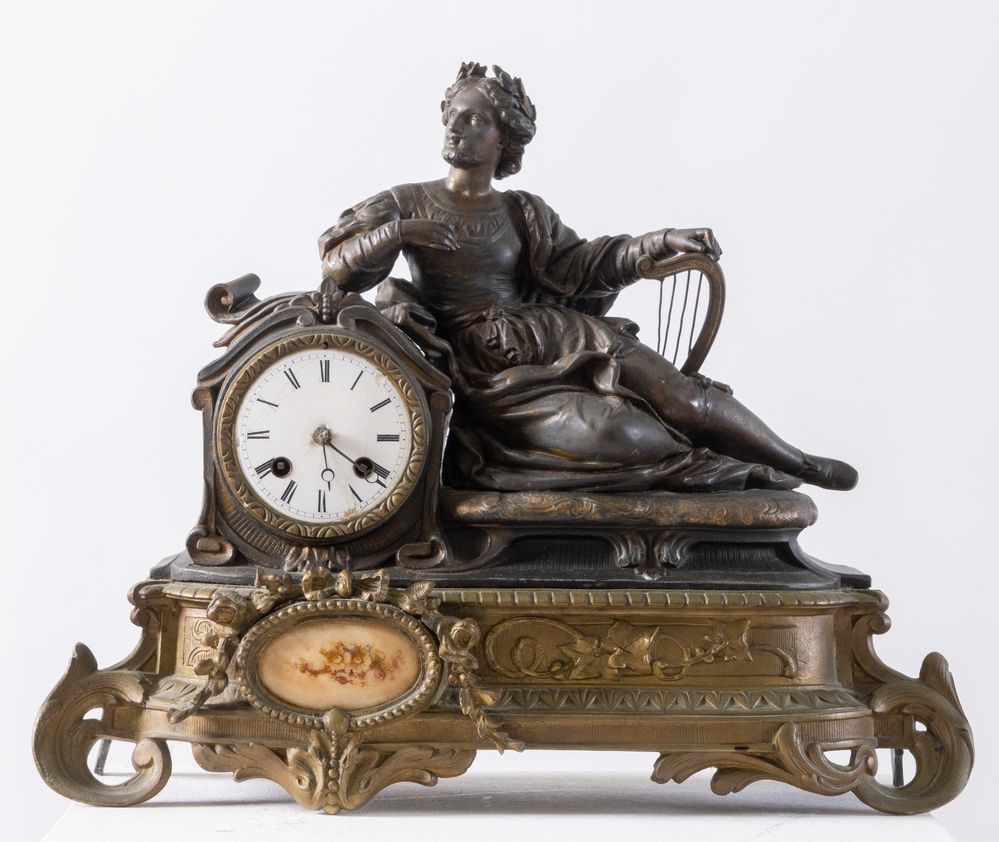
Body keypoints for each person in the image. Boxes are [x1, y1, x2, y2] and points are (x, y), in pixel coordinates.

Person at [318, 62, 857, 494]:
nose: (456, 128)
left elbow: (586, 262)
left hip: (557, 331)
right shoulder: (406, 201)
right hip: (489, 371)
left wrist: (660, 241)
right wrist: (399, 232)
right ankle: (730, 469)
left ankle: (797, 462)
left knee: (684, 399)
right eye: (452, 117)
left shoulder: (522, 210)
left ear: (505, 139)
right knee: (622, 432)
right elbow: (337, 268)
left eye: (475, 120)